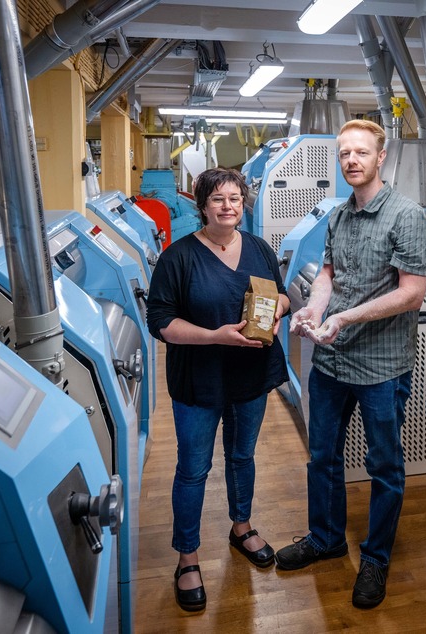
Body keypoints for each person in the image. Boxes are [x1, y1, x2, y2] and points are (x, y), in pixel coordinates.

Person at [274, 120, 426, 609]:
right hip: (331, 360)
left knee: (384, 465)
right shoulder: (340, 216)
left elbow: (412, 293)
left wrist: (345, 316)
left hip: (382, 367)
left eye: (361, 152)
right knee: (322, 455)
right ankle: (325, 539)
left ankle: (377, 558)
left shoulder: (407, 216)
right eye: (345, 153)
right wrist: (315, 309)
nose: (351, 161)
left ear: (380, 156)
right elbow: (326, 273)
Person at [146, 167, 290, 612]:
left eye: (235, 198)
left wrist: (279, 310)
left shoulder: (261, 249)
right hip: (200, 378)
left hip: (251, 374)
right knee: (193, 469)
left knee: (242, 455)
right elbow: (161, 323)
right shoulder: (179, 257)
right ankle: (187, 557)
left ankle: (241, 526)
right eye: (218, 200)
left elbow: (282, 295)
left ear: (244, 202)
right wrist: (214, 336)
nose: (228, 207)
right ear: (201, 206)